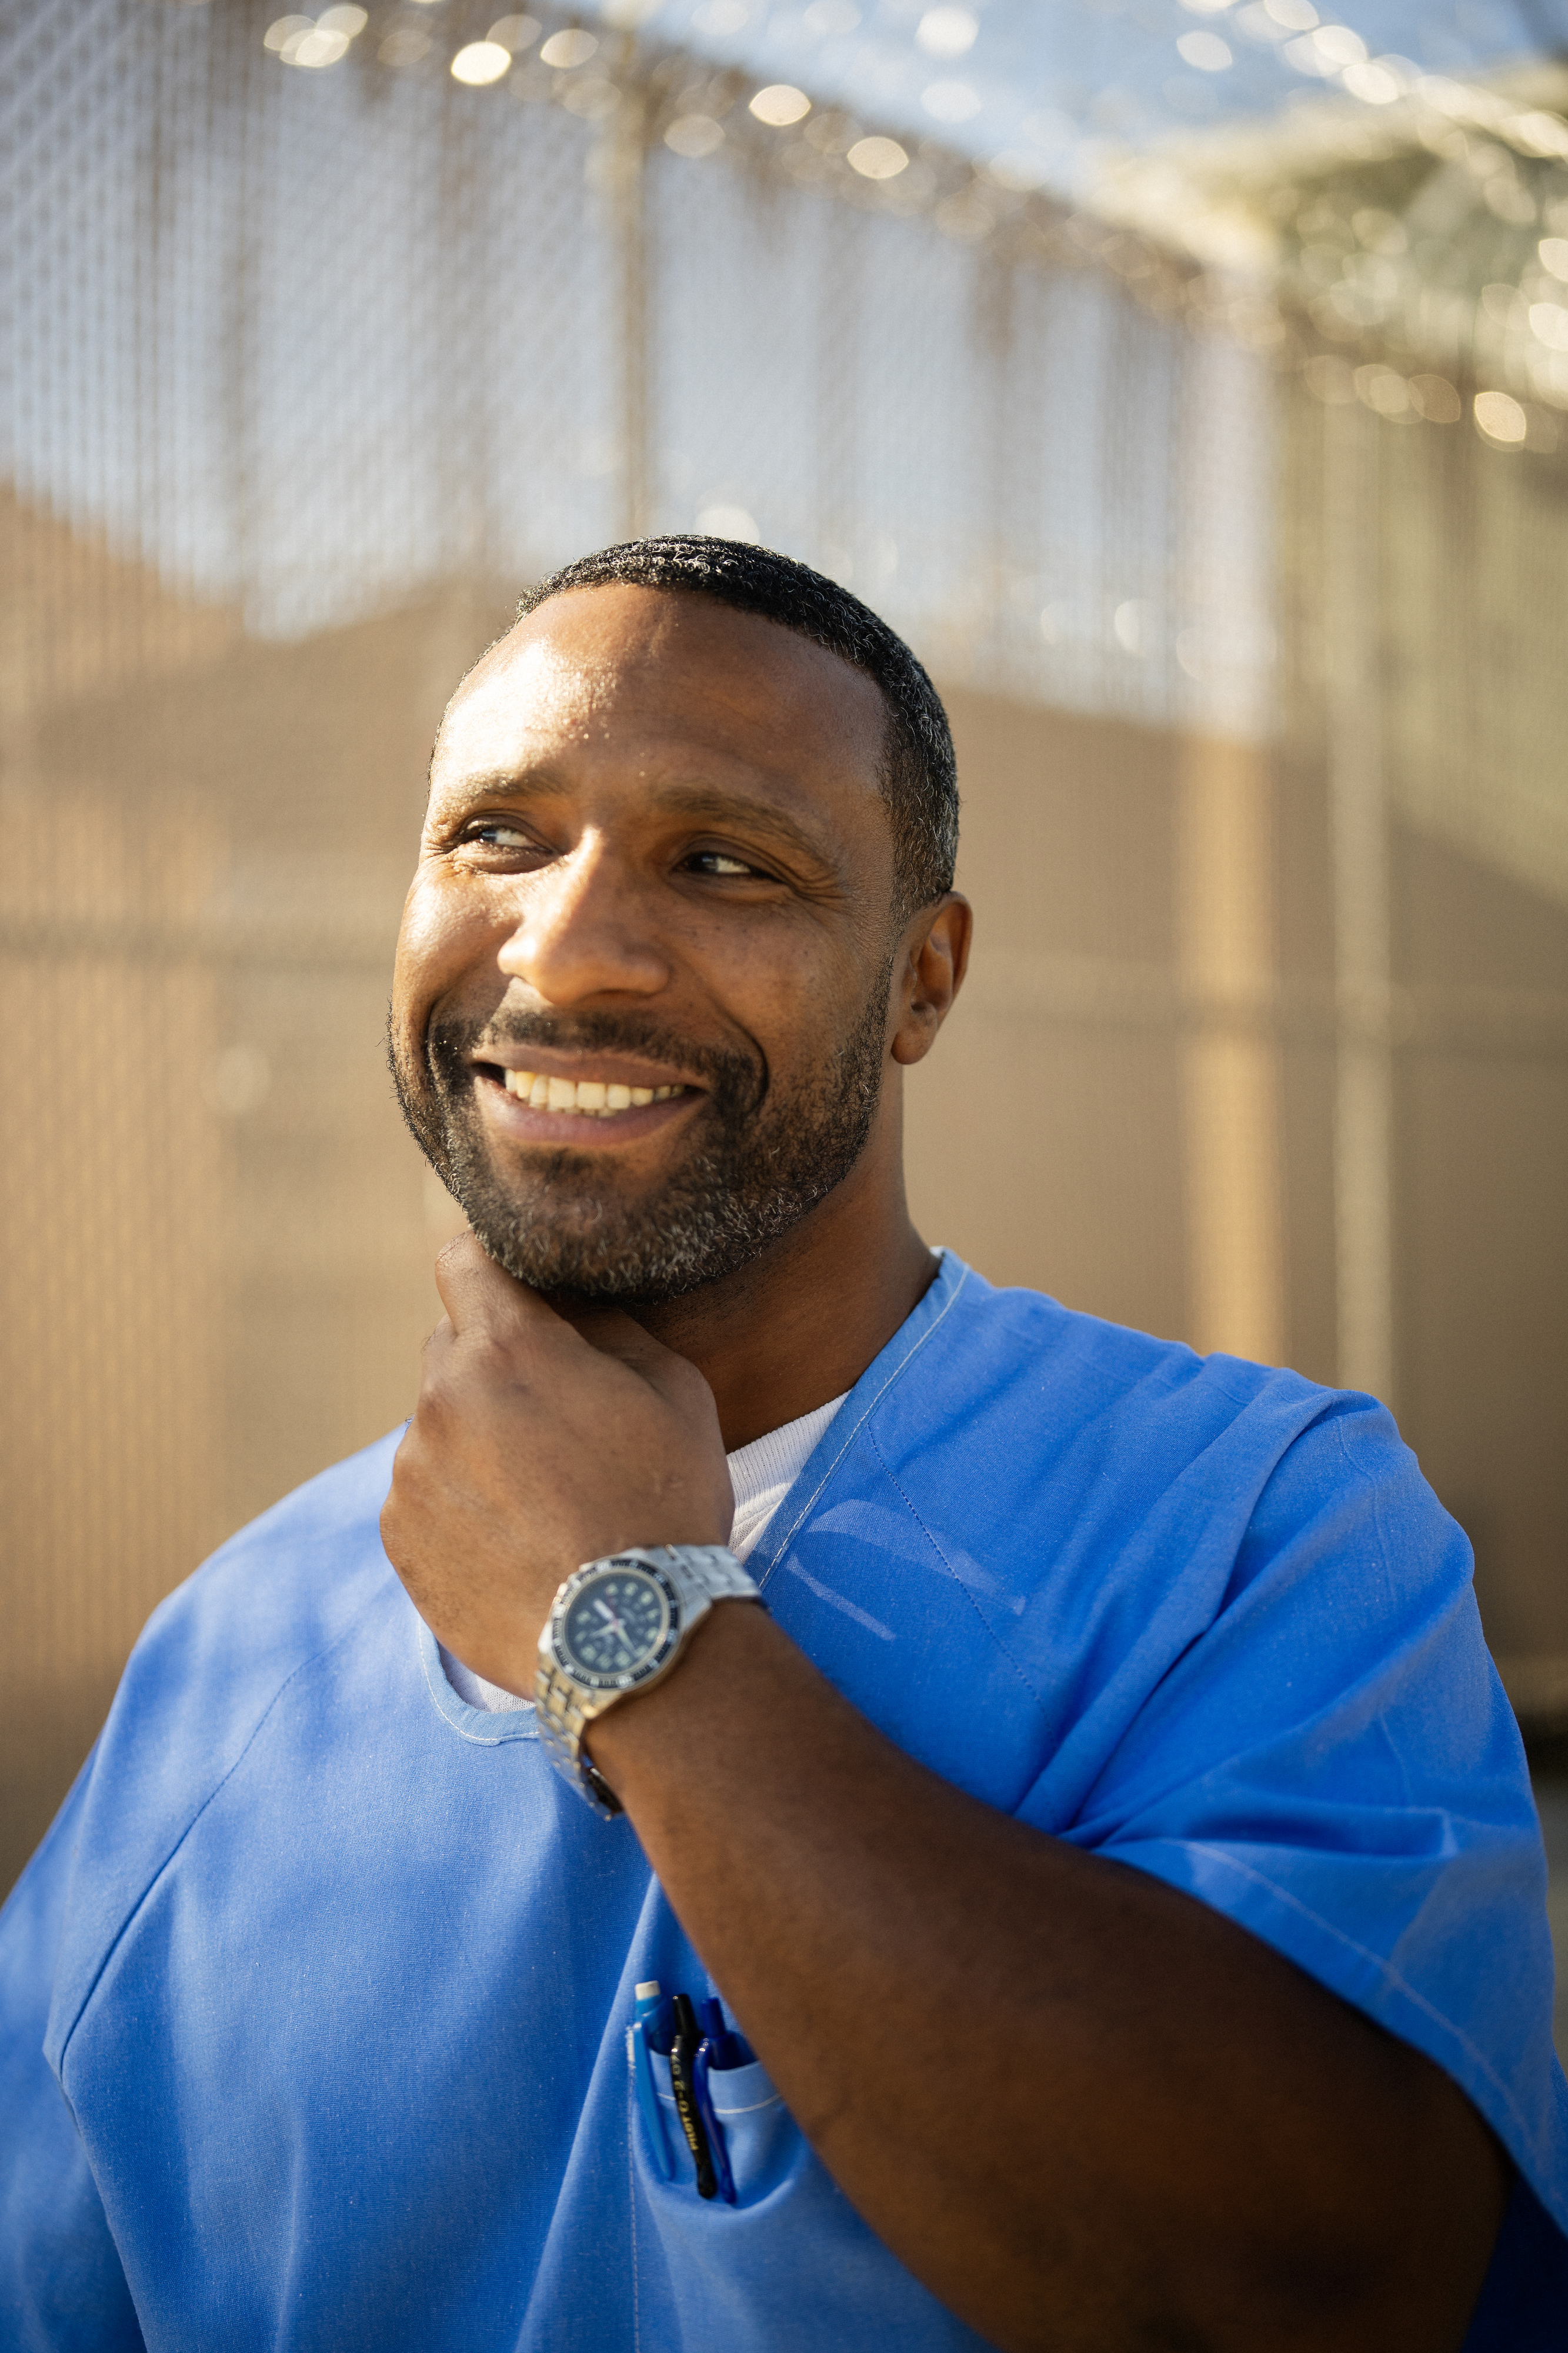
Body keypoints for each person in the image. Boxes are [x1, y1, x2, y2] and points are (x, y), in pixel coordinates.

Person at [1, 537, 1564, 2353]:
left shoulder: (1249, 1524)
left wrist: (637, 1635)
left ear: (921, 981)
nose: (567, 951)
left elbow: (1322, 2287)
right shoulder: (229, 1654)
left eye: (725, 862)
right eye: (493, 837)